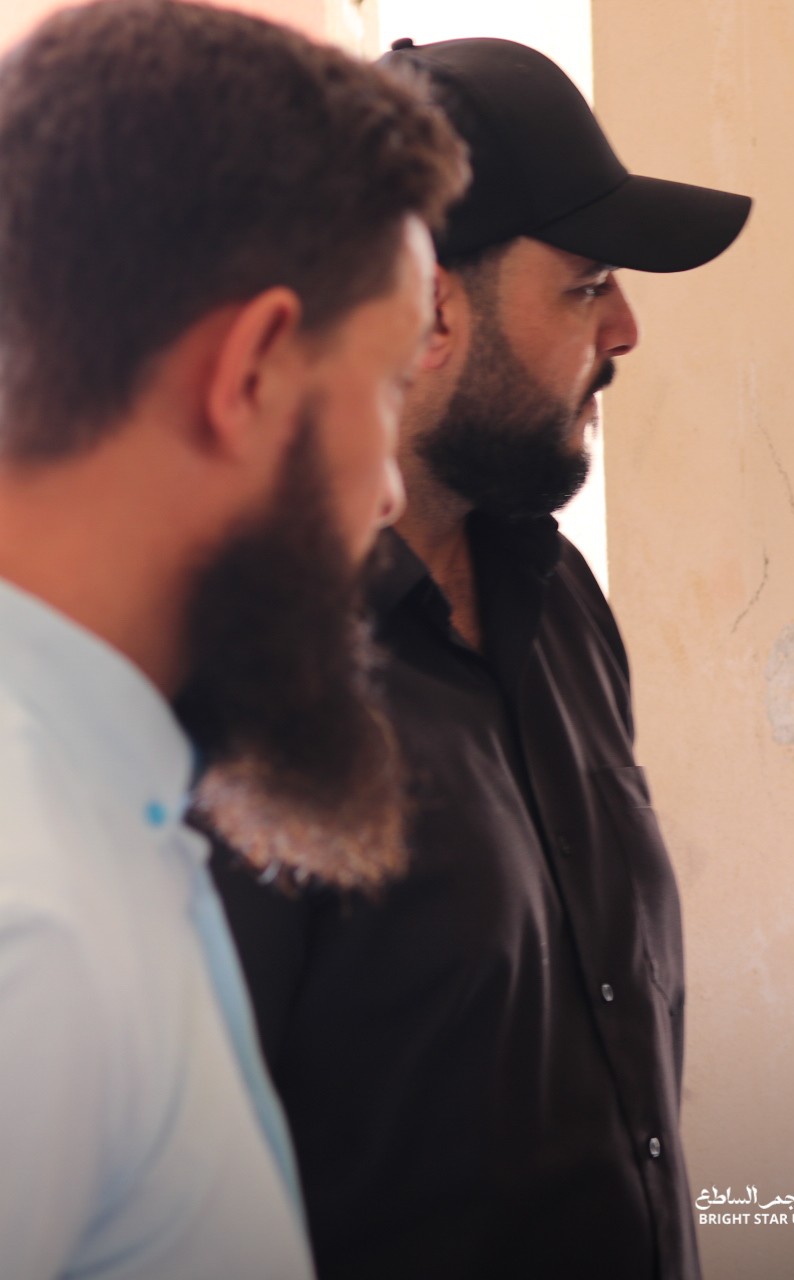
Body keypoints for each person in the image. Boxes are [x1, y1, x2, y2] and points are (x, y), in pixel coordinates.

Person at [213, 37, 750, 1280]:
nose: (627, 328)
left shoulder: (561, 607)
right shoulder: (249, 683)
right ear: (432, 310)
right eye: (587, 284)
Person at [0, 3, 467, 1277]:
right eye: (385, 386)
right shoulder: (32, 917)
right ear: (250, 370)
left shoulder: (99, 809)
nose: (387, 493)